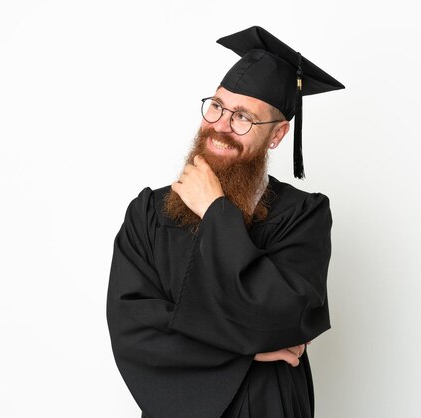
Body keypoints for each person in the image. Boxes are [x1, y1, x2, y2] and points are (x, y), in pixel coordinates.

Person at [107, 26, 344, 418]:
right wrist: (247, 347)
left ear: (278, 135)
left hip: (269, 404)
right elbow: (134, 330)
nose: (220, 125)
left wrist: (216, 209)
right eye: (216, 106)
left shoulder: (304, 215)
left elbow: (284, 318)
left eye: (243, 118)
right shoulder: (149, 212)